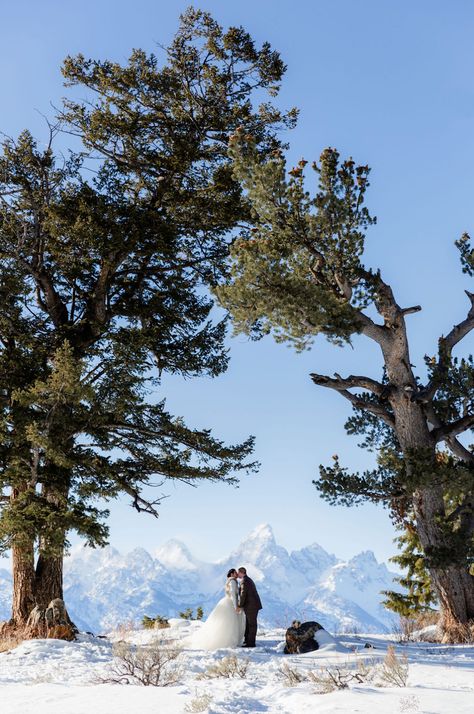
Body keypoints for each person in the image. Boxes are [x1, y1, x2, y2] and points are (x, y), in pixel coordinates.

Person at [189, 568, 246, 650]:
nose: (237, 574)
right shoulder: (233, 582)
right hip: (231, 603)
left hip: (227, 601)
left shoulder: (229, 581)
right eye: (235, 573)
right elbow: (233, 594)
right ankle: (229, 640)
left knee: (226, 623)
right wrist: (236, 606)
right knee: (231, 623)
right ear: (232, 574)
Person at [237, 566, 262, 647]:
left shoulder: (244, 581)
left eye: (238, 573)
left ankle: (251, 643)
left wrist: (240, 605)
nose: (238, 575)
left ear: (242, 572)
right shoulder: (248, 579)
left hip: (251, 606)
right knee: (249, 624)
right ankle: (248, 641)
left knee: (251, 624)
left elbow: (243, 594)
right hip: (253, 605)